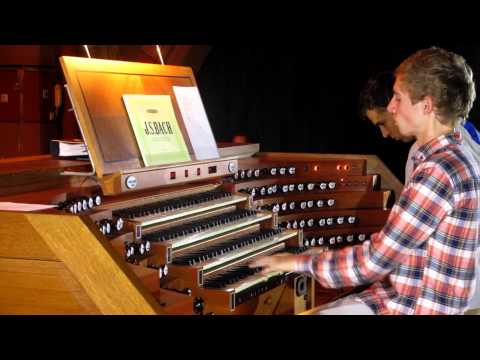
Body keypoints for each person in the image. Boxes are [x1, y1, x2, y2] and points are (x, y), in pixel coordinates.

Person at [250, 47, 480, 315]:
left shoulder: (438, 171)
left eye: (398, 97)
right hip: (407, 295)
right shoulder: (450, 155)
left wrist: (298, 262)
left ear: (426, 105)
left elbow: (374, 262)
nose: (391, 108)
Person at [358, 71, 480, 184]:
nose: (384, 134)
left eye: (382, 123)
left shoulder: (424, 150)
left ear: (395, 105)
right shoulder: (461, 129)